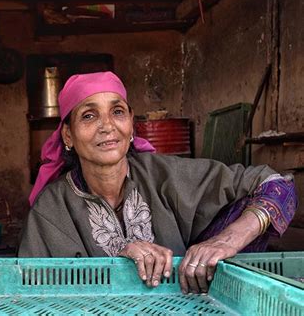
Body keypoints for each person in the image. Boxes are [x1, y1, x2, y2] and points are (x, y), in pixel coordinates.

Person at [18, 71, 297, 294]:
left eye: (117, 112)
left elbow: (276, 183)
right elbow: (35, 292)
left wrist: (224, 241)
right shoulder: (51, 209)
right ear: (68, 135)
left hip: (183, 306)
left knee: (249, 213)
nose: (107, 126)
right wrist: (118, 256)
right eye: (89, 116)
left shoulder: (164, 174)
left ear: (131, 127)